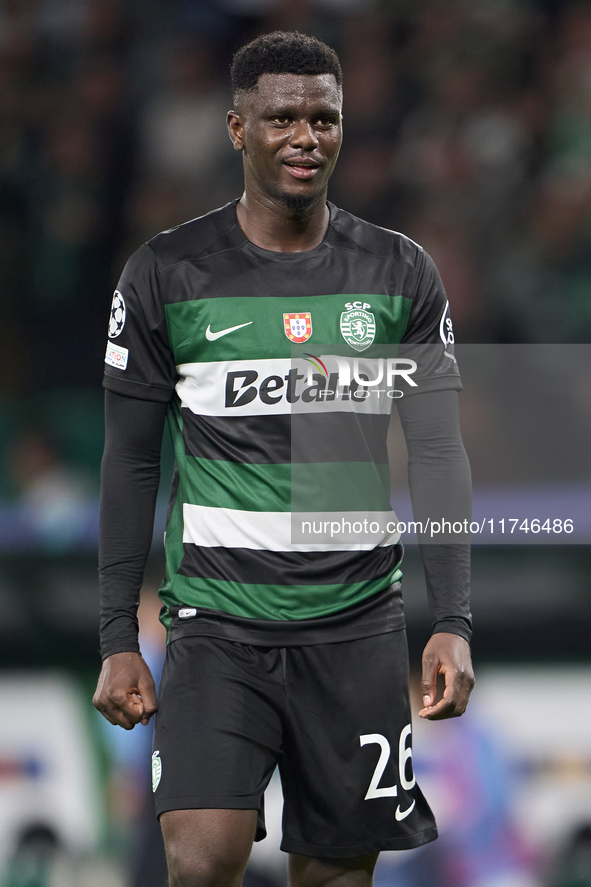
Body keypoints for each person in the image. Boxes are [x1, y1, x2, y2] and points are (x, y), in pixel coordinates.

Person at [93, 31, 474, 887]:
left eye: (324, 119)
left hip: (357, 626)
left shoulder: (400, 270)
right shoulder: (167, 273)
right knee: (201, 857)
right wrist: (119, 635)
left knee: (335, 876)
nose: (306, 136)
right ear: (237, 128)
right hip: (217, 626)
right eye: (283, 118)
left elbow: (438, 452)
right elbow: (128, 463)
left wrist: (452, 618)